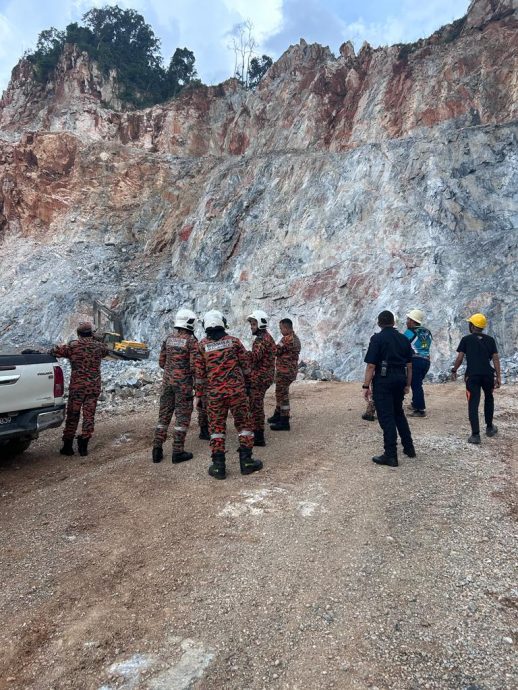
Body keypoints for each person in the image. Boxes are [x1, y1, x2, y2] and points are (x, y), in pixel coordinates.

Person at [196, 310, 263, 479]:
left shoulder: (201, 346)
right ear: (222, 323)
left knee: (216, 429)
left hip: (214, 396)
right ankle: (246, 462)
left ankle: (218, 466)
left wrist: (200, 397)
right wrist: (248, 388)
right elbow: (247, 368)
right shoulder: (234, 342)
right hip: (237, 393)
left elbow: (199, 375)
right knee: (244, 426)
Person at [362, 310, 415, 467]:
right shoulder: (404, 339)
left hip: (384, 380)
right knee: (398, 413)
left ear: (379, 323)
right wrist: (408, 384)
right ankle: (409, 448)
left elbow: (371, 365)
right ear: (393, 322)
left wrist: (366, 386)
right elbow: (410, 366)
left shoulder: (377, 339)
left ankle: (390, 455)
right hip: (400, 378)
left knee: (386, 417)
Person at [50, 321, 109, 457]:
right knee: (89, 416)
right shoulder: (99, 347)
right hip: (93, 387)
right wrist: (96, 339)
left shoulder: (73, 346)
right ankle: (83, 446)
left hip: (77, 387)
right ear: (91, 333)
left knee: (73, 415)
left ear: (78, 333)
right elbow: (105, 350)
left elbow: (55, 351)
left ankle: (68, 446)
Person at [152, 308, 198, 464]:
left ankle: (157, 449)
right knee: (182, 418)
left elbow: (161, 362)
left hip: (167, 384)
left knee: (163, 416)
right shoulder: (191, 341)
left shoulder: (168, 338)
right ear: (189, 322)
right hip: (183, 386)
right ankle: (177, 451)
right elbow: (194, 367)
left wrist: (172, 371)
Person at [450, 313, 501, 444]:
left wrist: (454, 370)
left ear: (472, 326)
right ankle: (490, 428)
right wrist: (498, 377)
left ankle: (475, 435)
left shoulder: (466, 339)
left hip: (472, 376)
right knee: (489, 399)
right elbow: (495, 358)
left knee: (473, 402)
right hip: (488, 375)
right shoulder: (490, 340)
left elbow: (460, 358)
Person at [247, 310, 276, 445]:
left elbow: (254, 357)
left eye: (253, 324)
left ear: (260, 324)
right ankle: (257, 432)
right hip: (264, 376)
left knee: (256, 405)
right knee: (255, 404)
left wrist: (241, 353)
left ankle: (258, 437)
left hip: (260, 378)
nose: (251, 326)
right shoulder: (265, 337)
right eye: (251, 324)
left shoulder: (261, 340)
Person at [269, 318, 301, 431]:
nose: (281, 331)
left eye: (281, 328)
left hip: (285, 372)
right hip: (289, 371)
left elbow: (276, 351)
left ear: (287, 328)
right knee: (280, 393)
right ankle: (277, 415)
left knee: (282, 395)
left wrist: (270, 346)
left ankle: (284, 420)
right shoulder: (295, 338)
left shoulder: (287, 340)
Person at [404, 309, 433, 418]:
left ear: (412, 321)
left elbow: (402, 345)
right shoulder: (427, 331)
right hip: (426, 361)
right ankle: (415, 403)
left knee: (416, 385)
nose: (406, 322)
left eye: (408, 320)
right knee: (417, 383)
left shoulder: (410, 332)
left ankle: (420, 410)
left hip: (415, 360)